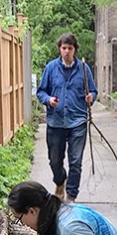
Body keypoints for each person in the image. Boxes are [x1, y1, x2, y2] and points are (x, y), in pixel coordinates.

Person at [36, 32, 97, 202]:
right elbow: (41, 91)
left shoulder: (84, 69)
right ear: (59, 49)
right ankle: (59, 181)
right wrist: (49, 100)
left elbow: (93, 91)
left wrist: (91, 97)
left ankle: (71, 196)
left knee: (75, 161)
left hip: (78, 121)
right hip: (56, 122)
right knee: (55, 160)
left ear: (75, 50)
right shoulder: (51, 68)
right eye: (64, 48)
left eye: (70, 48)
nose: (67, 51)